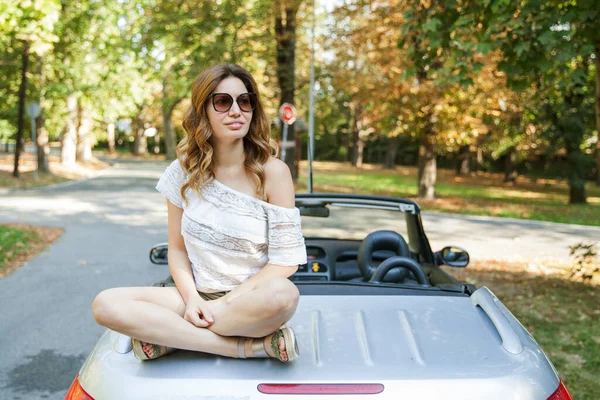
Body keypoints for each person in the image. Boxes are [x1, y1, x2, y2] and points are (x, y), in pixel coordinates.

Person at [92, 63, 307, 363]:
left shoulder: (273, 172)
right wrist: (193, 299)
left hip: (249, 302)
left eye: (245, 101)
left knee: (284, 295)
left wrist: (225, 304)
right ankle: (239, 348)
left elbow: (285, 261)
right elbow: (177, 251)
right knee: (106, 304)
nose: (236, 111)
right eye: (222, 102)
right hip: (195, 297)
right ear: (202, 111)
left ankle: (174, 337)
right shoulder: (182, 173)